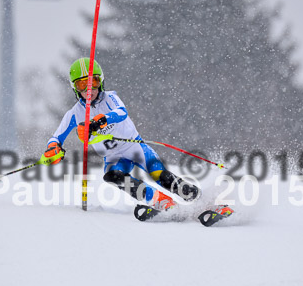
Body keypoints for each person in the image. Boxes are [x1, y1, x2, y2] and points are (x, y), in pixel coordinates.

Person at [43, 57, 200, 210]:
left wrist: (101, 120)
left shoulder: (110, 98)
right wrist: (53, 148)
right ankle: (160, 201)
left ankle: (199, 198)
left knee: (159, 175)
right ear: (75, 88)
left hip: (135, 147)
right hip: (114, 157)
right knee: (112, 176)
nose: (89, 89)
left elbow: (121, 112)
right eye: (82, 85)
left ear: (101, 82)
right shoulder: (74, 114)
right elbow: (56, 137)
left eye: (94, 82)